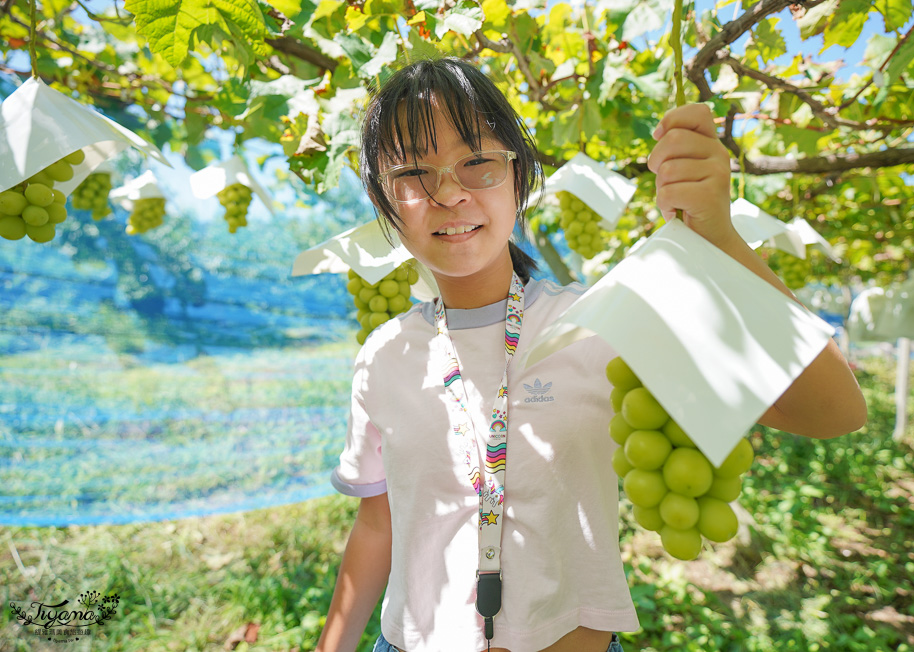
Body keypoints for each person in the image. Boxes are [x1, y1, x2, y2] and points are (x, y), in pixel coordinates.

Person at [314, 57, 867, 652]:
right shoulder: (383, 354)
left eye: (477, 162)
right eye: (415, 174)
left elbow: (831, 411)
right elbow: (378, 523)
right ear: (384, 198)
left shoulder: (599, 321)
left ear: (518, 175)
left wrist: (718, 233)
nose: (448, 192)